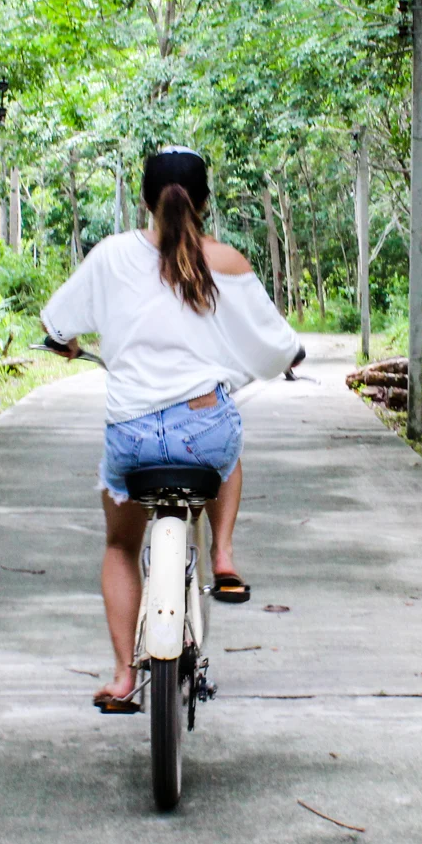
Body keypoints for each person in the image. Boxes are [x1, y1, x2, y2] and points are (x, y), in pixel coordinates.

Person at [40, 147, 301, 713]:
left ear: (144, 200)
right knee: (228, 448)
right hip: (202, 433)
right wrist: (292, 356)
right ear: (205, 202)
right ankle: (225, 555)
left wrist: (69, 342)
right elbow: (279, 343)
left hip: (132, 441)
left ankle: (119, 675)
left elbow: (57, 321)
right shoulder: (226, 261)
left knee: (119, 545)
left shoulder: (110, 257)